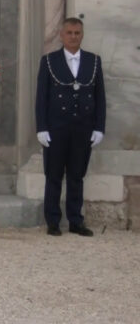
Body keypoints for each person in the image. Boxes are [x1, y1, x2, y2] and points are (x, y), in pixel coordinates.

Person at [35, 17, 105, 237]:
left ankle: (76, 221)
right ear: (61, 35)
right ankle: (53, 221)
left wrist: (99, 127)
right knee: (54, 175)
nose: (73, 37)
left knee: (76, 175)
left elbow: (100, 97)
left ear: (82, 35)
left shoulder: (94, 61)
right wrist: (41, 127)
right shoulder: (49, 61)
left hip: (83, 128)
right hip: (56, 127)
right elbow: (41, 98)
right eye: (70, 33)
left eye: (77, 33)